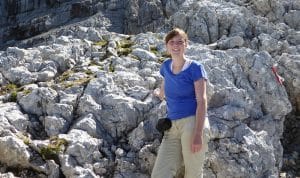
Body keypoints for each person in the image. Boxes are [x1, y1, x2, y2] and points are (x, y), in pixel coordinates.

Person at [151, 28, 210, 178]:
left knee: (193, 175)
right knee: (159, 174)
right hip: (172, 127)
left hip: (192, 123)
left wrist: (198, 134)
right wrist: (160, 94)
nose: (176, 45)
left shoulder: (195, 68)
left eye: (180, 42)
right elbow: (166, 81)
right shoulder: (165, 66)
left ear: (186, 44)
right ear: (167, 46)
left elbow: (202, 101)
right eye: (172, 42)